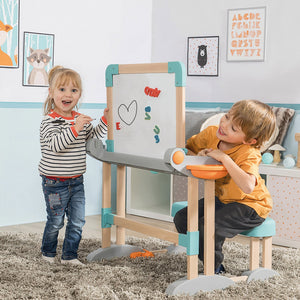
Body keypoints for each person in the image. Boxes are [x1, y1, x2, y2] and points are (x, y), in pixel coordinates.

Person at [174, 100, 276, 274]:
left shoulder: (249, 153)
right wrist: (197, 155)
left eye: (234, 128)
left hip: (251, 205)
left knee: (210, 225)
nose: (224, 125)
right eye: (227, 116)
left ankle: (214, 269)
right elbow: (187, 150)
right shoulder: (210, 134)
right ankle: (206, 258)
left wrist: (224, 158)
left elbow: (248, 186)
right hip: (223, 199)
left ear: (250, 140)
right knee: (183, 218)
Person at [39, 66, 108, 265]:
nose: (68, 94)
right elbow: (56, 146)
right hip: (54, 182)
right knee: (56, 221)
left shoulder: (80, 120)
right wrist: (75, 128)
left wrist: (105, 120)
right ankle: (48, 253)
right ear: (52, 93)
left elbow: (91, 139)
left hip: (77, 181)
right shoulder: (49, 122)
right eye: (62, 90)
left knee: (77, 221)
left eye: (73, 90)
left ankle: (70, 256)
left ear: (79, 95)